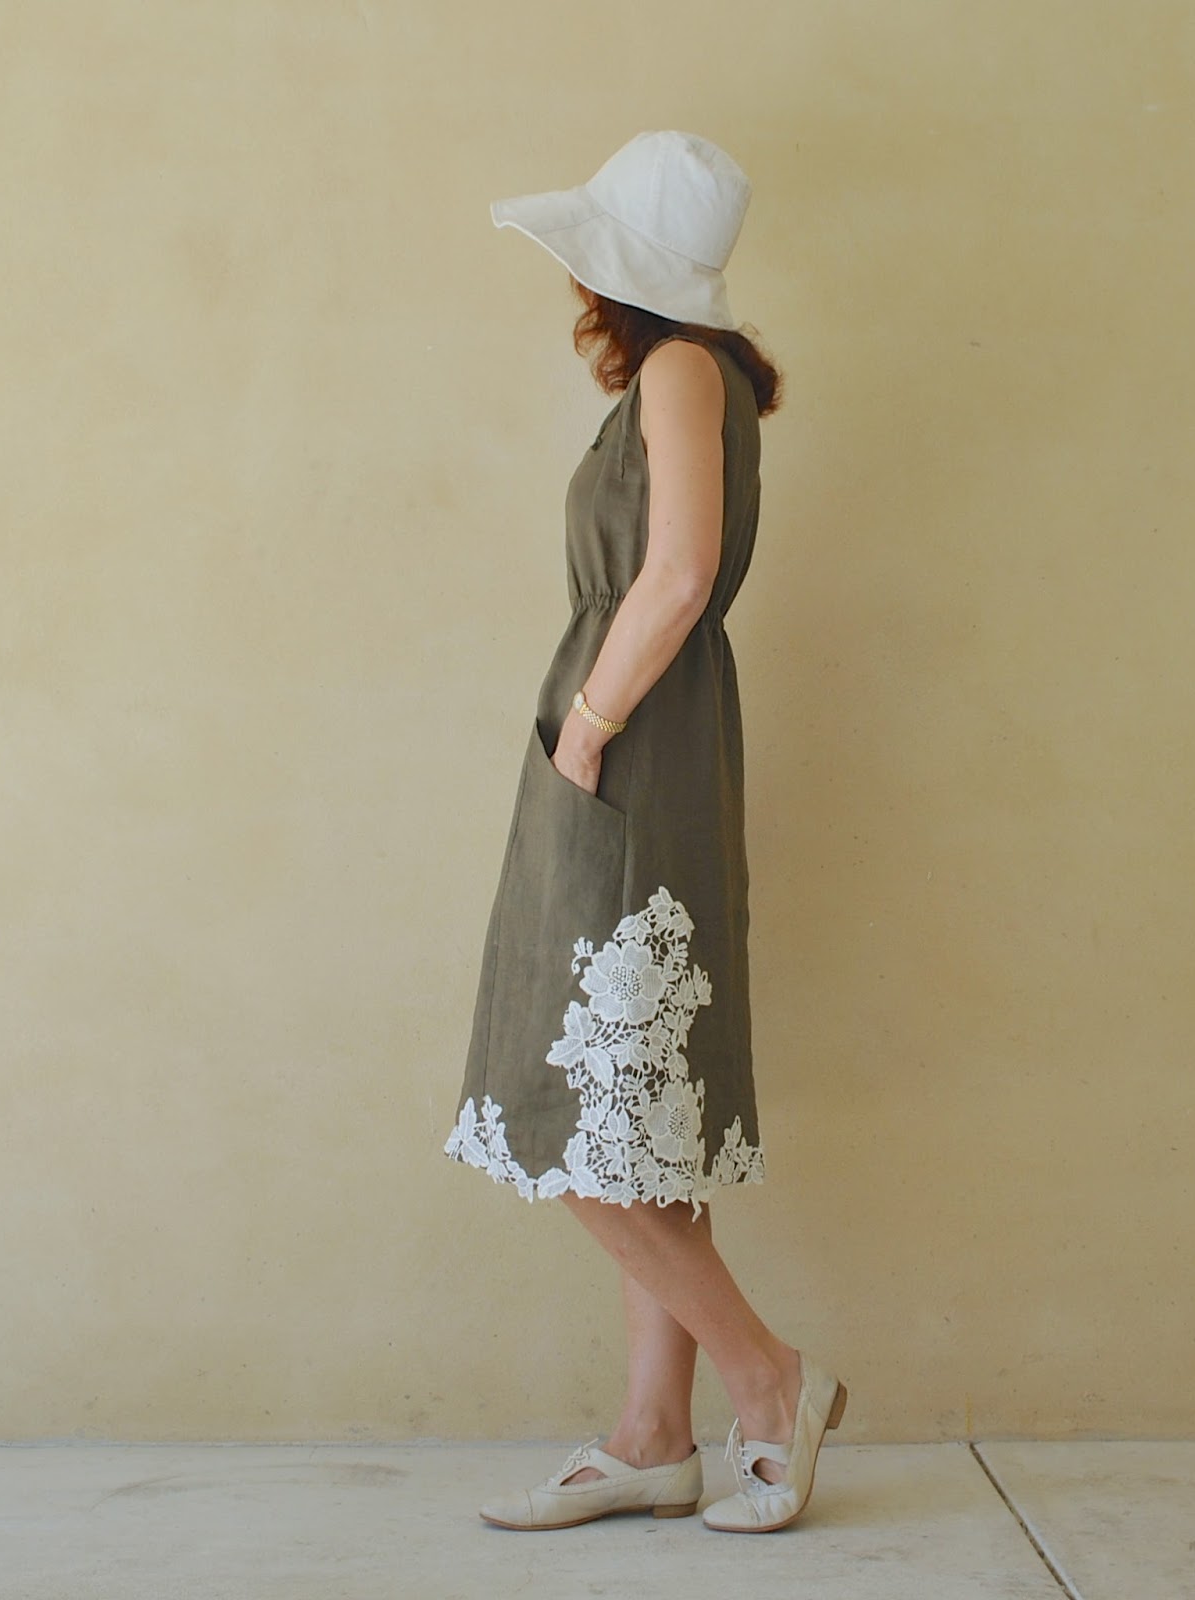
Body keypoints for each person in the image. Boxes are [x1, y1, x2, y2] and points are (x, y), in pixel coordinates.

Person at [442, 130, 847, 1534]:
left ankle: (770, 1381)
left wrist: (589, 725)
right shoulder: (701, 373)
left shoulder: (680, 369)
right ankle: (651, 1440)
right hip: (644, 740)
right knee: (636, 1115)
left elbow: (676, 572)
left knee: (563, 1100)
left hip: (631, 744)